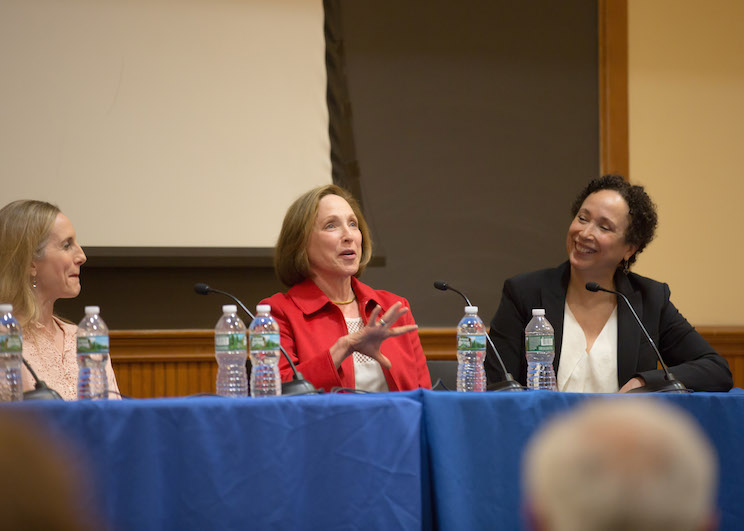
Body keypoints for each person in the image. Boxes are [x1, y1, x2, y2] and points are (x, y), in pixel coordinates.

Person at [486, 175, 732, 392]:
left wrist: (645, 382)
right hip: (542, 438)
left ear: (629, 248)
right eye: (582, 218)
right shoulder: (525, 293)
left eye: (604, 227)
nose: (585, 233)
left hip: (621, 440)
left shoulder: (649, 299)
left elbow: (716, 369)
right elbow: (496, 383)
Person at [260, 184, 431, 392]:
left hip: (397, 423)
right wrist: (344, 347)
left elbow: (424, 394)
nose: (348, 235)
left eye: (353, 224)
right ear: (300, 243)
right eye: (331, 226)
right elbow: (276, 391)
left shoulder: (394, 308)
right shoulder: (278, 313)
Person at [0, 200, 120, 401]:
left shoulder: (84, 335)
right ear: (30, 263)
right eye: (67, 245)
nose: (82, 256)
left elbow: (114, 416)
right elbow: (8, 427)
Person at [523, 399, 718, 531]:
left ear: (537, 522)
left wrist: (643, 380)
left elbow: (712, 366)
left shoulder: (651, 334)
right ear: (707, 525)